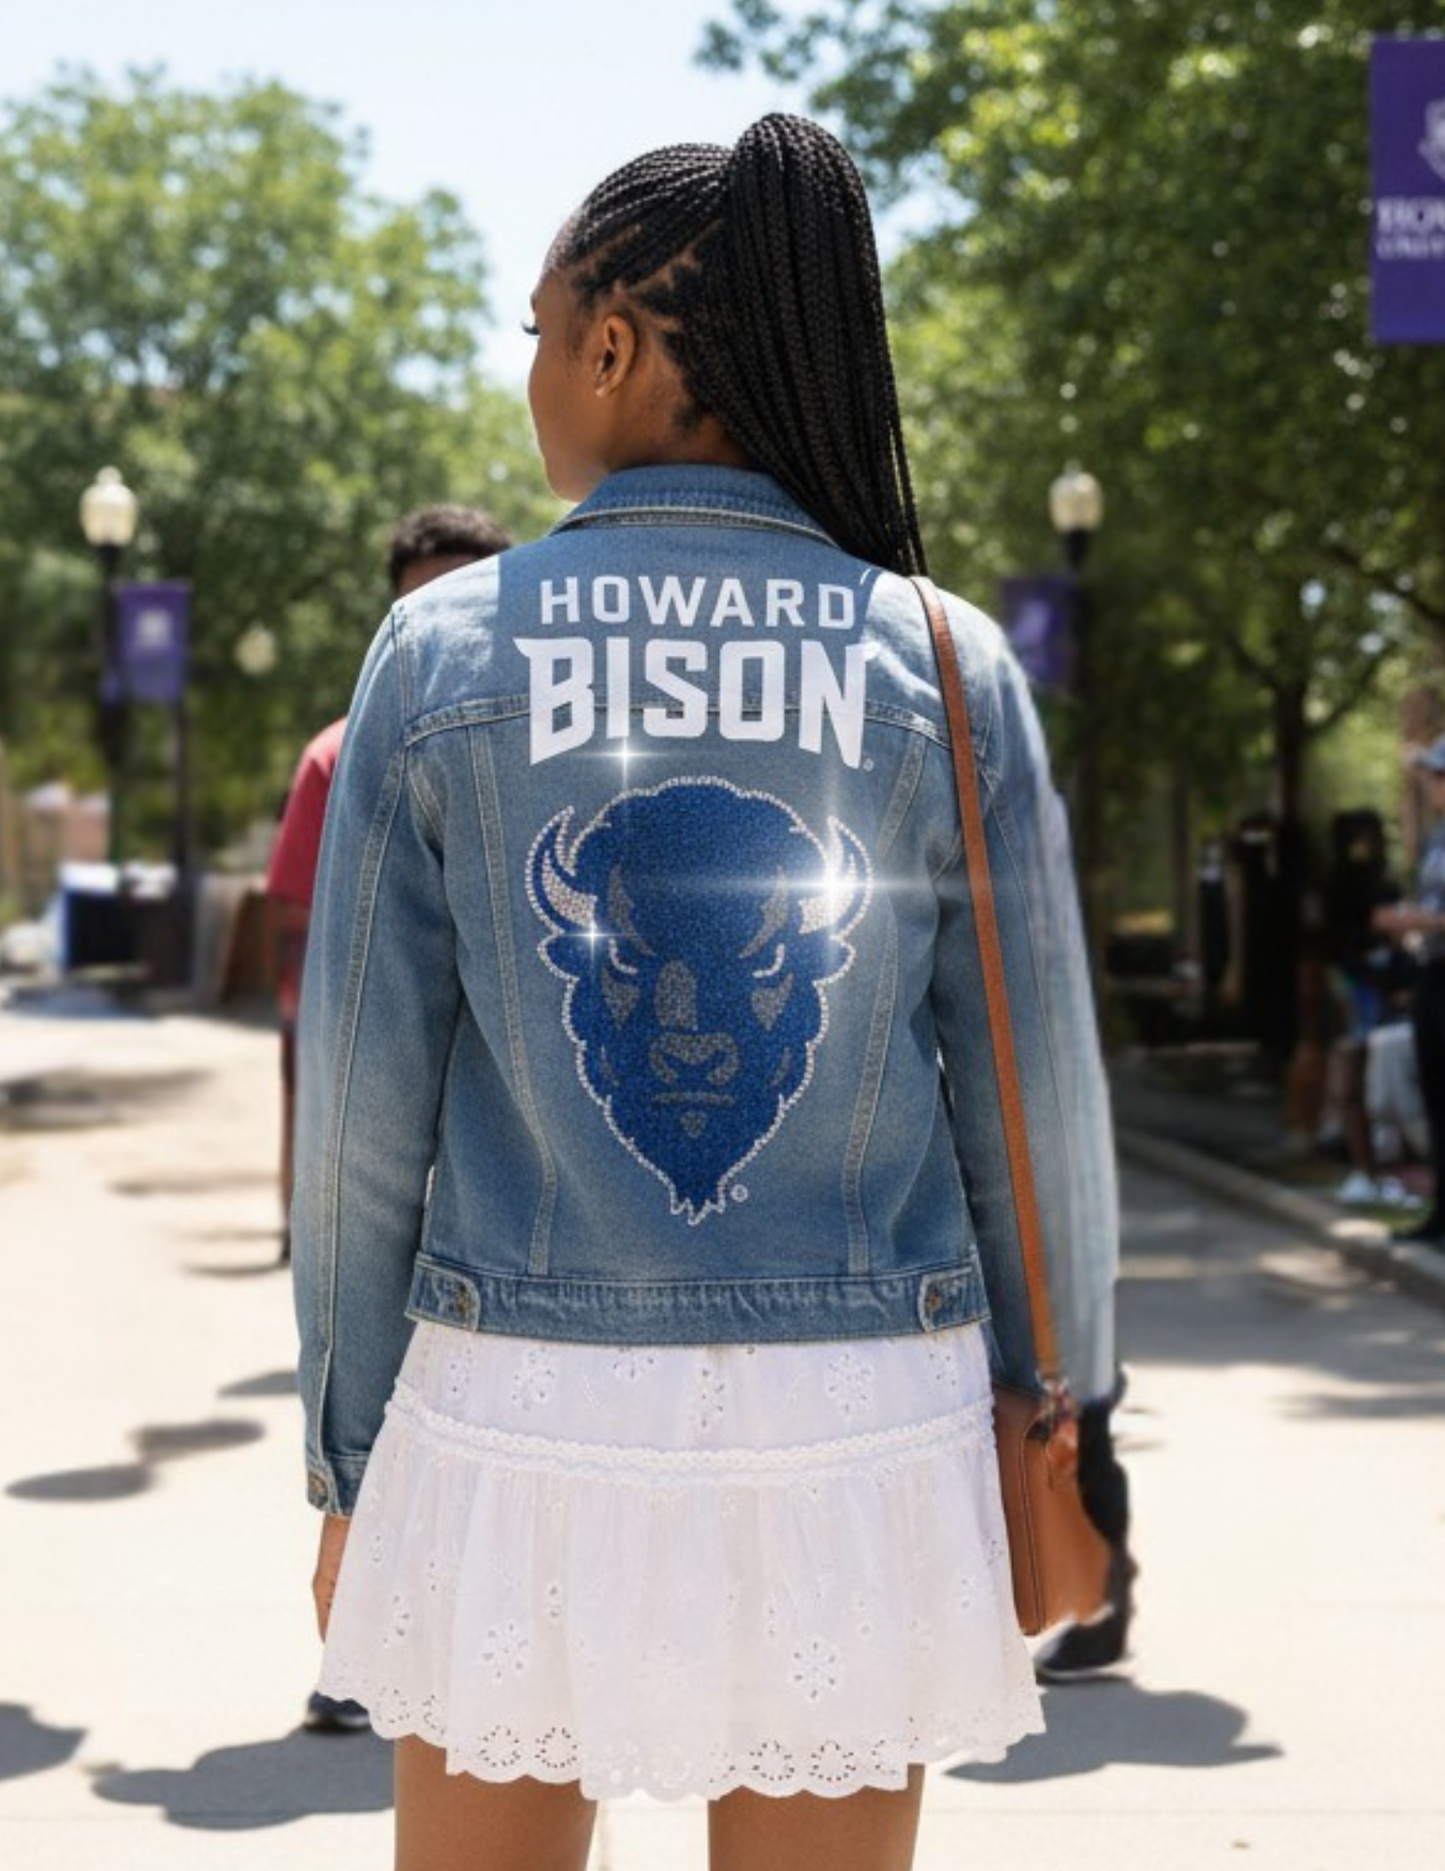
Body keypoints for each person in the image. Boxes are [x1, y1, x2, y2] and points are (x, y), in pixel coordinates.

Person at [291, 116, 1118, 1869]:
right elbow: (1033, 1090)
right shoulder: (943, 658)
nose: (531, 373)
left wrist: (350, 1461)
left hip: (515, 1405)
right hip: (863, 1420)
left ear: (614, 347)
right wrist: (1063, 1401)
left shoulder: (443, 657)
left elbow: (360, 1120)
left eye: (538, 330)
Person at [267, 502, 511, 1735]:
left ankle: (456, 1640)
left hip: (490, 1142)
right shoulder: (342, 744)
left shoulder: (522, 725)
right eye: (420, 588)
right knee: (369, 1373)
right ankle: (358, 1641)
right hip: (376, 1087)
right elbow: (294, 912)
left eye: (464, 585)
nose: (436, 610)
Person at [1376, 736, 1445, 1247]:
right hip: (1432, 973)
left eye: (1438, 776)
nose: (1432, 785)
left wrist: (1413, 919)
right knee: (1434, 1097)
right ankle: (1439, 1214)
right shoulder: (1437, 839)